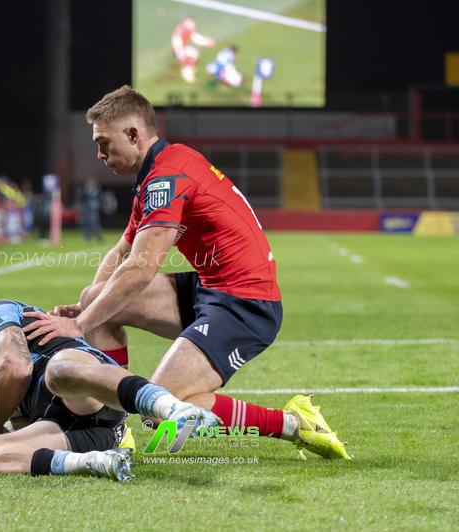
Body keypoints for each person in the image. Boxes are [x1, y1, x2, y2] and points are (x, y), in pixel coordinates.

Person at [22, 86, 350, 460]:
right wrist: (86, 309)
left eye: (103, 143)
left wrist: (79, 327)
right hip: (209, 289)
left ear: (133, 134)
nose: (99, 155)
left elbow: (142, 267)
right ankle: (111, 430)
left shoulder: (167, 176)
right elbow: (121, 251)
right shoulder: (155, 173)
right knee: (95, 298)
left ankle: (294, 423)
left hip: (246, 303)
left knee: (159, 406)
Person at [0, 292, 220, 480]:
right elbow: (25, 432)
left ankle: (171, 407)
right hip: (86, 434)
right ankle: (92, 463)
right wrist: (2, 433)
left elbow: (17, 369)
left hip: (86, 390)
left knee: (58, 371)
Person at [171, 16, 215, 84]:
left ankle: (189, 68)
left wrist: (207, 41)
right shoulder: (183, 31)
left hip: (181, 48)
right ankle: (187, 72)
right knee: (193, 55)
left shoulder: (184, 28)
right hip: (179, 50)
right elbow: (195, 38)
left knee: (194, 53)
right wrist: (181, 54)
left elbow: (195, 37)